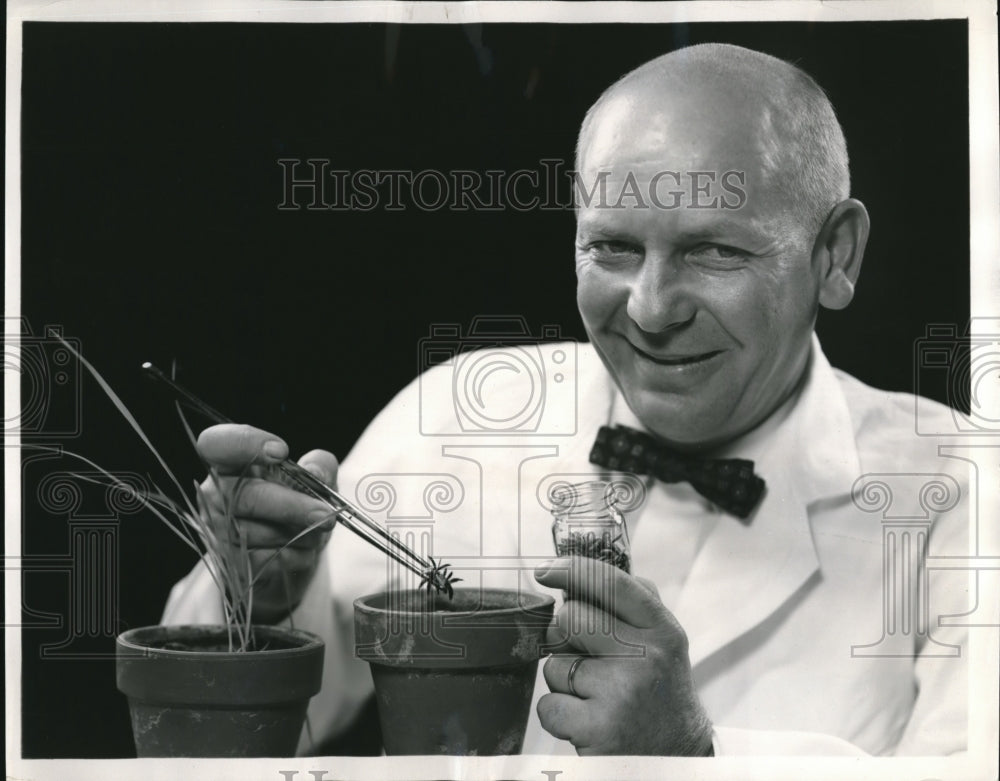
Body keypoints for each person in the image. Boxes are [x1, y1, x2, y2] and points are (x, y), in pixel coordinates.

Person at [162, 43, 969, 756]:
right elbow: (221, 740)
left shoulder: (963, 491)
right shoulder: (452, 418)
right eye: (613, 246)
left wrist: (693, 756)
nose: (651, 309)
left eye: (715, 249)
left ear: (836, 255)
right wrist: (257, 594)